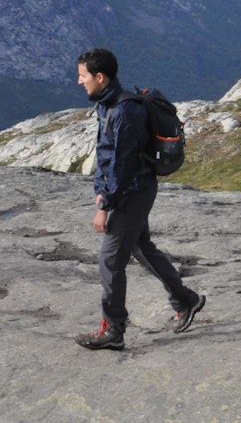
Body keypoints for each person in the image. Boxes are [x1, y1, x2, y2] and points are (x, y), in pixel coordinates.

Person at [74, 48, 205, 350]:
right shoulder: (109, 105)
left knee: (109, 262)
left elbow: (123, 165)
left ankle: (113, 330)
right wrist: (99, 188)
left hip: (133, 193)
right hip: (131, 190)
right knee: (141, 247)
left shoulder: (124, 111)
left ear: (100, 77)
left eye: (83, 76)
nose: (80, 81)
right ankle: (186, 300)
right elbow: (105, 154)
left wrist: (105, 205)